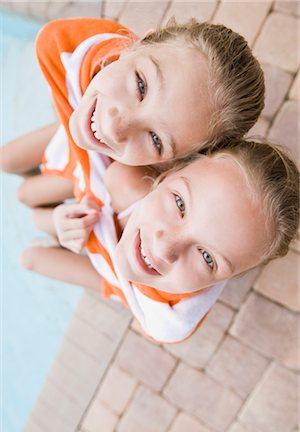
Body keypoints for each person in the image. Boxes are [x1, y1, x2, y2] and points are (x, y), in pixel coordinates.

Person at [20, 140, 299, 344]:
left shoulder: (170, 315)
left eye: (207, 257)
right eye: (179, 204)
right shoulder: (124, 182)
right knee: (25, 193)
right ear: (167, 175)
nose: (165, 249)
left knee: (30, 258)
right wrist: (60, 219)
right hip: (99, 204)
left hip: (117, 282)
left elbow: (152, 324)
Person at [0, 17, 265, 208]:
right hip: (83, 138)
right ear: (139, 43)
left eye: (156, 139)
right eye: (141, 85)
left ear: (175, 162)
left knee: (27, 196)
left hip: (96, 168)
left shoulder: (131, 183)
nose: (117, 126)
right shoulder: (77, 51)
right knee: (6, 159)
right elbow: (53, 46)